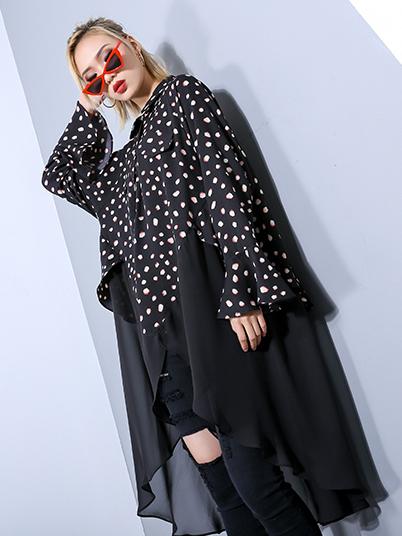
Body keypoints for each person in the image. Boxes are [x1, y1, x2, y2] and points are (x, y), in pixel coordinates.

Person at [41, 16, 386, 536]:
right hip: (162, 344)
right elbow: (59, 175)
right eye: (91, 77)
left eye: (108, 57)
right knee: (228, 498)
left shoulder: (183, 96)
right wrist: (87, 109)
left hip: (209, 317)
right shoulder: (123, 162)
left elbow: (229, 188)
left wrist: (241, 291)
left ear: (130, 44)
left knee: (257, 484)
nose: (106, 75)